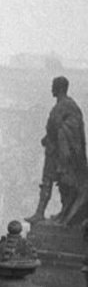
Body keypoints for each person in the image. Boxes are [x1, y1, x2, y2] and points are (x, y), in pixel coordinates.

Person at [27, 76, 88, 225]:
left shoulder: (66, 106)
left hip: (60, 153)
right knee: (54, 182)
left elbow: (65, 128)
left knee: (57, 182)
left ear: (60, 88)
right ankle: (48, 213)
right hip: (57, 151)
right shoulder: (65, 105)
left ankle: (52, 213)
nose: (51, 89)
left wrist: (54, 138)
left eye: (53, 85)